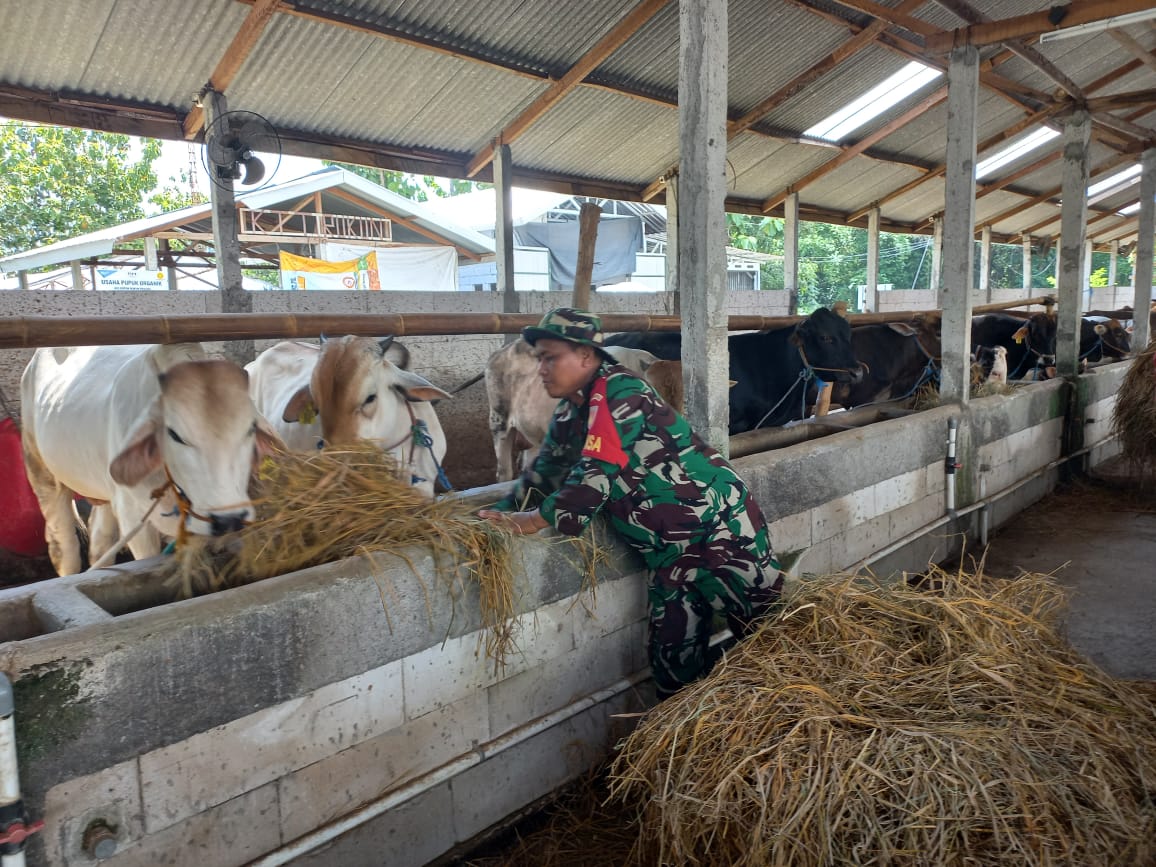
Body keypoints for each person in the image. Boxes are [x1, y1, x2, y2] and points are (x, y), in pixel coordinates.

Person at [478, 307, 782, 698]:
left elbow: (595, 473)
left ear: (586, 357)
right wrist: (494, 516)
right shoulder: (573, 410)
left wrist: (534, 520)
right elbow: (545, 473)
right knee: (674, 669)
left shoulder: (619, 393)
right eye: (540, 359)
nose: (541, 369)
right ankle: (692, 737)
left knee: (770, 641)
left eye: (551, 358)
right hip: (668, 554)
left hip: (720, 531)